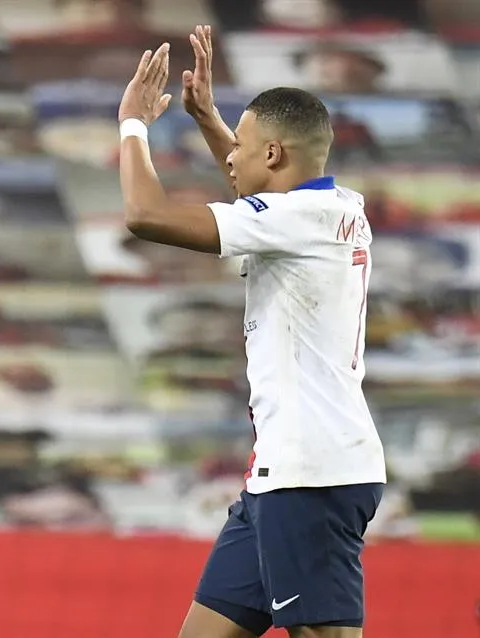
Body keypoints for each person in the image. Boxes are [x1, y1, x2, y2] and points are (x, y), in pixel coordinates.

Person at [117, 26, 386, 638]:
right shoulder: (338, 207)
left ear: (271, 154)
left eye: (239, 145)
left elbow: (145, 216)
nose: (227, 158)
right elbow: (258, 193)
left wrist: (133, 124)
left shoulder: (299, 218)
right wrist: (212, 120)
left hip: (313, 473)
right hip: (280, 475)